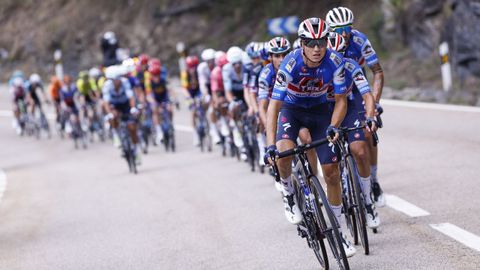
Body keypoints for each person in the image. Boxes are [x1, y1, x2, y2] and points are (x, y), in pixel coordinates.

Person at [264, 17, 355, 257]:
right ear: (302, 43)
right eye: (311, 43)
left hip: (319, 112)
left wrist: (334, 126)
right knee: (283, 154)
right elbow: (273, 106)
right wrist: (269, 145)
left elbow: (341, 100)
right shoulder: (290, 64)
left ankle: (339, 230)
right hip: (291, 112)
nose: (317, 49)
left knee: (332, 173)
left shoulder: (334, 61)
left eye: (321, 43)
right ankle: (288, 193)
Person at [326, 6, 386, 207]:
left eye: (347, 28)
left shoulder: (359, 39)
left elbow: (377, 71)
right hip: (332, 95)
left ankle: (374, 181)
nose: (344, 34)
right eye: (338, 29)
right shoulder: (322, 46)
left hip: (357, 87)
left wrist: (375, 104)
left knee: (367, 135)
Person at [102, 66, 141, 164]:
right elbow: (106, 102)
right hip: (114, 105)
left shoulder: (125, 82)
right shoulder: (107, 86)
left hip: (125, 104)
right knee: (113, 116)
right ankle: (116, 135)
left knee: (132, 128)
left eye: (117, 79)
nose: (116, 81)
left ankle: (137, 152)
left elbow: (131, 97)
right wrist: (109, 113)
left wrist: (132, 108)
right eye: (113, 80)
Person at [223, 46, 248, 161]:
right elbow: (227, 91)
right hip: (235, 94)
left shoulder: (246, 66)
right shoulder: (227, 70)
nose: (237, 66)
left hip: (247, 92)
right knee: (233, 109)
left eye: (239, 63)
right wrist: (232, 101)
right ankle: (238, 136)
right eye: (234, 64)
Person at [145, 64, 172, 145]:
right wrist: (153, 103)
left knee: (170, 109)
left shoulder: (163, 79)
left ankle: (170, 123)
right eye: (154, 75)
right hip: (154, 98)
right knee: (154, 110)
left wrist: (173, 100)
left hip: (164, 97)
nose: (156, 77)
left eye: (157, 75)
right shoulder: (148, 81)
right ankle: (159, 131)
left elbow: (170, 90)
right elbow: (148, 95)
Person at [182, 55, 202, 146]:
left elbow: (203, 84)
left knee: (203, 104)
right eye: (191, 67)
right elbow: (184, 89)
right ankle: (195, 134)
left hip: (198, 90)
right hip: (190, 93)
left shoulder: (199, 71)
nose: (192, 69)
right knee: (193, 111)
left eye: (194, 66)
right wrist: (189, 98)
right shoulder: (184, 74)